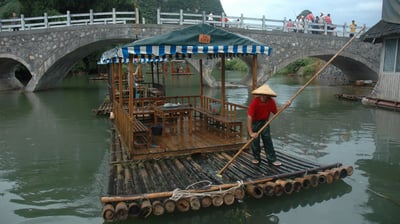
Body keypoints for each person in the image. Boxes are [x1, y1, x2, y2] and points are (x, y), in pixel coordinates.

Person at [247, 84, 286, 166]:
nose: (264, 97)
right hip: (255, 122)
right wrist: (251, 132)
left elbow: (276, 112)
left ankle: (272, 159)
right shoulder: (255, 102)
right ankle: (256, 157)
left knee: (267, 139)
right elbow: (249, 117)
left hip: (264, 122)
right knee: (255, 140)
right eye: (263, 95)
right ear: (260, 94)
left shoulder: (271, 101)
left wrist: (285, 106)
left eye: (266, 95)